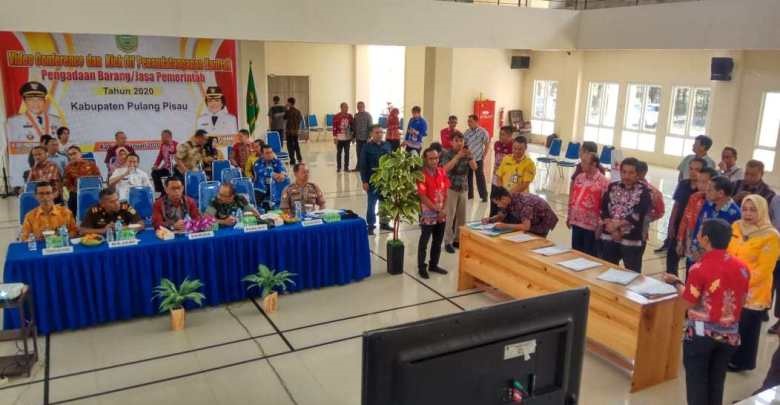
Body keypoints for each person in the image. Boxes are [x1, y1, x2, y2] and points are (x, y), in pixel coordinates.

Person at [663, 219, 749, 405]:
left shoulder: (699, 268)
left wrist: (677, 283)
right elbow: (741, 300)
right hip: (729, 336)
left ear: (706, 239)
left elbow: (688, 302)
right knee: (716, 382)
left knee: (697, 384)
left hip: (702, 336)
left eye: (700, 233)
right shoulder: (742, 268)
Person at [726, 195, 780, 372]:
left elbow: (764, 270)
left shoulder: (771, 236)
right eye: (745, 209)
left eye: (753, 210)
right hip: (731, 285)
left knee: (747, 328)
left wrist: (739, 283)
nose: (748, 214)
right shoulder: (736, 226)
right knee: (731, 324)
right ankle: (728, 356)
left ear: (762, 211)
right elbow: (727, 253)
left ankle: (741, 362)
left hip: (754, 291)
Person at [599, 157, 651, 272]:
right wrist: (613, 230)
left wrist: (617, 226)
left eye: (631, 173)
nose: (626, 176)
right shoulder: (612, 187)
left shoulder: (644, 192)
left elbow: (637, 215)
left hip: (631, 240)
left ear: (637, 174)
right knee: (608, 270)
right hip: (610, 236)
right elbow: (604, 209)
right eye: (624, 172)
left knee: (632, 274)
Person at [660, 157, 706, 273]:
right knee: (672, 258)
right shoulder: (683, 184)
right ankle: (672, 281)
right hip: (678, 225)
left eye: (697, 170)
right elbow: (676, 206)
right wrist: (671, 225)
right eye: (691, 169)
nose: (693, 172)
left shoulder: (705, 191)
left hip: (693, 230)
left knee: (691, 264)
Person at [689, 176, 742, 265]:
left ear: (720, 193)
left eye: (710, 190)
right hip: (696, 254)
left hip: (715, 260)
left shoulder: (735, 214)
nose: (706, 192)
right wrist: (694, 248)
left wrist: (706, 254)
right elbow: (699, 225)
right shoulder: (708, 203)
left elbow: (731, 242)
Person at [441, 132, 477, 254]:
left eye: (461, 141)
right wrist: (457, 157)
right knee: (449, 216)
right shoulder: (447, 154)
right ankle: (448, 241)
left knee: (462, 216)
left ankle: (457, 240)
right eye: (456, 140)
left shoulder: (467, 153)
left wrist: (470, 157)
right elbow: (445, 169)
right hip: (450, 188)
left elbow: (474, 167)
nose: (459, 143)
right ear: (451, 142)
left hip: (463, 188)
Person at [416, 147, 450, 279]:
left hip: (441, 213)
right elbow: (422, 196)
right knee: (424, 241)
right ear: (425, 159)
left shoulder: (442, 171)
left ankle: (433, 265)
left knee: (438, 241)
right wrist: (438, 210)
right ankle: (421, 267)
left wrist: (444, 209)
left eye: (436, 158)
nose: (434, 161)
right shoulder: (421, 175)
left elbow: (446, 192)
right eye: (431, 158)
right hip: (428, 214)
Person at [567, 152, 609, 256]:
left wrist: (600, 225)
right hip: (576, 222)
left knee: (588, 256)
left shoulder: (603, 182)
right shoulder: (579, 177)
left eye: (584, 162)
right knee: (575, 254)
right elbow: (574, 198)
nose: (581, 164)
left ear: (594, 164)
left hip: (591, 227)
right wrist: (569, 216)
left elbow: (605, 207)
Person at [677, 168, 718, 271]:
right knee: (690, 271)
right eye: (699, 181)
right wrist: (680, 240)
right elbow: (685, 219)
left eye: (704, 182)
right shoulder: (694, 197)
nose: (700, 185)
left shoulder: (716, 202)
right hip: (691, 242)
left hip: (706, 246)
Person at [482, 186, 558, 237]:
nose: (498, 206)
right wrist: (491, 219)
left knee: (535, 242)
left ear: (504, 198)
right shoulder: (509, 199)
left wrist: (505, 225)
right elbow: (502, 215)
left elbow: (526, 226)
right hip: (530, 220)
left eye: (498, 203)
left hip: (543, 221)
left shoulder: (524, 203)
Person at [360, 125, 393, 235]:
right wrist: (364, 181)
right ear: (371, 134)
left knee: (385, 202)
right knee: (372, 204)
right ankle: (370, 225)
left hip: (385, 180)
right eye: (377, 132)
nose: (379, 134)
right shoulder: (366, 147)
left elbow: (391, 162)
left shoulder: (387, 145)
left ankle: (384, 223)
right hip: (372, 180)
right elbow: (363, 165)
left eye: (381, 132)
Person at [80, 187, 144, 235]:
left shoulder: (126, 207)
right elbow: (82, 230)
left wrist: (122, 228)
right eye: (112, 202)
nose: (117, 204)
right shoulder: (94, 210)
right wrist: (103, 230)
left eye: (117, 200)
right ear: (102, 204)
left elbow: (141, 224)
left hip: (122, 239)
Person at [636, 160, 665, 255]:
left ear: (643, 173)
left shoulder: (653, 192)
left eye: (634, 172)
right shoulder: (622, 187)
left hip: (640, 234)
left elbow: (660, 211)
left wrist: (646, 218)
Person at [63, 146, 101, 213]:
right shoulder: (68, 168)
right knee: (72, 202)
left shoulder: (91, 164)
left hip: (91, 193)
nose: (73, 156)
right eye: (70, 155)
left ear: (80, 153)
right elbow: (67, 184)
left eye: (74, 153)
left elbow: (98, 179)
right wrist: (77, 192)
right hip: (76, 194)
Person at [462, 115, 490, 202]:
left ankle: (484, 196)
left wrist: (484, 155)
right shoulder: (467, 132)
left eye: (470, 121)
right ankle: (470, 195)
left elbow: (487, 144)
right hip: (468, 159)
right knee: (468, 177)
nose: (469, 123)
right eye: (468, 121)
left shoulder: (483, 132)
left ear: (476, 121)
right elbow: (464, 145)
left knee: (480, 177)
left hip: (478, 158)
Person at [490, 126, 515, 217]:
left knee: (503, 205)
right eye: (500, 134)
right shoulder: (497, 144)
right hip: (495, 179)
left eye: (503, 134)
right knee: (493, 201)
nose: (500, 136)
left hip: (506, 182)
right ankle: (491, 220)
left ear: (510, 136)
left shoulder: (514, 146)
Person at [151, 129, 178, 194]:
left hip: (175, 169)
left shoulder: (176, 145)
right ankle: (161, 192)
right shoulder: (162, 146)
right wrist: (155, 165)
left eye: (164, 137)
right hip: (166, 168)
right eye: (162, 137)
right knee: (154, 173)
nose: (162, 139)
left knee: (170, 178)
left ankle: (170, 192)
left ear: (170, 137)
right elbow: (160, 157)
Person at [333, 102, 354, 172]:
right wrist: (335, 137)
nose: (347, 108)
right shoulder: (336, 116)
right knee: (339, 153)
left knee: (347, 153)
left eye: (347, 107)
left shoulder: (350, 116)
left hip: (347, 138)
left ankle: (346, 167)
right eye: (345, 107)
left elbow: (352, 127)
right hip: (339, 138)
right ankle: (338, 167)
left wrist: (352, 136)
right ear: (341, 108)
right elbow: (334, 127)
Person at [352, 101, 373, 171]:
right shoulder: (356, 115)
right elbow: (354, 127)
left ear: (364, 107)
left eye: (361, 107)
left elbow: (370, 127)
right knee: (358, 153)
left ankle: (366, 168)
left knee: (365, 154)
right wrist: (353, 137)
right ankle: (358, 167)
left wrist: (369, 137)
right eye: (358, 107)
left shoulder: (368, 115)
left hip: (365, 138)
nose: (359, 108)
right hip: (358, 138)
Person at [284, 97, 304, 165]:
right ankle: (299, 158)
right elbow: (300, 120)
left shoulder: (288, 111)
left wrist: (286, 109)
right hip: (295, 131)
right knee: (296, 145)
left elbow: (284, 117)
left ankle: (292, 160)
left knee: (290, 146)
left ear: (290, 103)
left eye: (287, 102)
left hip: (289, 132)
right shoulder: (298, 111)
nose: (287, 103)